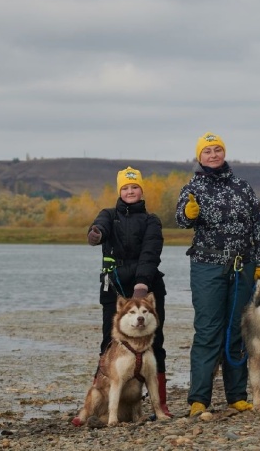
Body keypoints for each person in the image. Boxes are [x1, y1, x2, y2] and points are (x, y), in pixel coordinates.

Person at [175, 132, 260, 417]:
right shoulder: (193, 187)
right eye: (207, 151)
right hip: (207, 266)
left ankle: (236, 396)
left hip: (242, 266)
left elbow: (259, 226)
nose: (213, 155)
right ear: (199, 157)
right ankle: (199, 400)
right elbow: (180, 220)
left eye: (218, 149)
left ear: (224, 153)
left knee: (238, 331)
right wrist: (189, 213)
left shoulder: (243, 187)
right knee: (208, 331)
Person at [86, 166, 172, 417]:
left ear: (141, 190)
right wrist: (96, 233)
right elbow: (99, 226)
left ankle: (160, 405)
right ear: (120, 191)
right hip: (113, 287)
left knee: (155, 345)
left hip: (147, 288)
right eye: (126, 187)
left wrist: (142, 287)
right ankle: (97, 404)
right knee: (108, 344)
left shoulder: (151, 220)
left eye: (134, 187)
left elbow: (151, 252)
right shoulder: (108, 215)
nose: (130, 191)